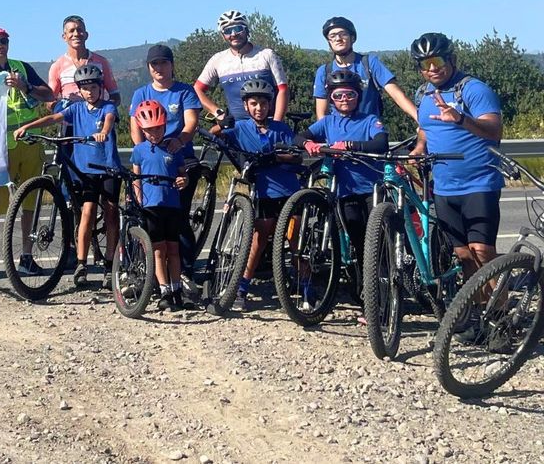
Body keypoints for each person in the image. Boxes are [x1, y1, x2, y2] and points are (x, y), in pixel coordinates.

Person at [14, 64, 119, 287]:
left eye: (93, 87)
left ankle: (110, 264)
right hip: (87, 170)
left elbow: (109, 121)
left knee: (111, 214)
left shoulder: (108, 107)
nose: (89, 92)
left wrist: (103, 133)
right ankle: (82, 263)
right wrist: (28, 127)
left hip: (108, 168)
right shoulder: (77, 109)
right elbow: (54, 118)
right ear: (79, 90)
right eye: (85, 88)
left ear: (101, 87)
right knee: (87, 212)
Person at [409, 32, 502, 282]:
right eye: (424, 64)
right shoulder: (424, 94)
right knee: (463, 256)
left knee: (482, 251)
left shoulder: (474, 89)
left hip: (479, 182)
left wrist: (460, 118)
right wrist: (419, 149)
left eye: (437, 61)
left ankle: (499, 314)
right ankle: (480, 313)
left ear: (452, 59)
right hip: (444, 187)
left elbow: (494, 130)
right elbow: (425, 129)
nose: (432, 69)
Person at [294, 70, 388, 312]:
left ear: (358, 95)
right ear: (331, 98)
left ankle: (385, 298)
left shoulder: (369, 120)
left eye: (350, 94)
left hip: (371, 190)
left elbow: (381, 143)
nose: (344, 98)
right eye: (338, 95)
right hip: (345, 192)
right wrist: (309, 143)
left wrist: (349, 145)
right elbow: (300, 135)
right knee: (358, 244)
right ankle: (366, 295)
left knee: (376, 245)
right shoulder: (328, 122)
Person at [211, 79, 301, 312]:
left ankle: (305, 285)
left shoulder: (280, 128)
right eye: (254, 103)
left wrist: (276, 157)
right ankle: (242, 288)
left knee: (295, 241)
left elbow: (295, 156)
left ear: (270, 105)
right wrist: (222, 124)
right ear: (246, 106)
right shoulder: (240, 127)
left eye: (263, 103)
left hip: (289, 191)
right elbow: (215, 135)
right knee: (258, 241)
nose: (259, 107)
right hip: (264, 192)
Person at [0, 26, 54, 279]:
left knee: (30, 201)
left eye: (4, 41)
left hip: (29, 144)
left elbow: (48, 94)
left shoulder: (21, 67)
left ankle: (26, 256)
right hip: (0, 149)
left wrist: (25, 86)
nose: (0, 46)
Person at [128, 44, 201, 283]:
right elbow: (135, 128)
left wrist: (179, 140)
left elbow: (190, 123)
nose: (159, 68)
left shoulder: (184, 91)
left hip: (179, 155)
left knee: (178, 216)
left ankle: (185, 271)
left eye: (163, 63)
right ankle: (145, 273)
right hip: (150, 156)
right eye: (154, 64)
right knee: (145, 215)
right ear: (149, 68)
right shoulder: (141, 93)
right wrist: (144, 152)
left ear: (172, 65)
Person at [130, 100, 192, 311]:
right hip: (151, 206)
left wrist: (184, 181)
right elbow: (136, 176)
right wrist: (137, 197)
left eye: (157, 128)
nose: (154, 133)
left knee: (174, 248)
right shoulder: (139, 150)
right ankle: (164, 290)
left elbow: (183, 175)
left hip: (172, 204)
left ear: (165, 125)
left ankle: (176, 289)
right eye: (148, 130)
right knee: (157, 250)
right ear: (141, 129)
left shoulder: (173, 149)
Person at [312, 16, 417, 121]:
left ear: (352, 38)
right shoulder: (324, 71)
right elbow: (322, 114)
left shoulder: (369, 63)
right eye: (332, 36)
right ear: (329, 42)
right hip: (338, 133)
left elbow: (398, 95)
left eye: (343, 34)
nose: (338, 39)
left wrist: (421, 121)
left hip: (370, 132)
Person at [195, 10, 289, 125]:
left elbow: (283, 89)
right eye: (227, 31)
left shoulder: (267, 55)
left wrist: (277, 123)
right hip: (236, 127)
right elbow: (197, 89)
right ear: (222, 35)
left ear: (246, 29)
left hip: (268, 124)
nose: (234, 34)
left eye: (238, 28)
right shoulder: (217, 60)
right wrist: (218, 113)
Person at [47, 15, 120, 108]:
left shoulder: (102, 62)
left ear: (86, 35)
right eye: (71, 31)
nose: (76, 34)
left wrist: (106, 110)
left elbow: (115, 96)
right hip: (70, 121)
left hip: (98, 120)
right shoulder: (57, 66)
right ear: (64, 37)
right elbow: (49, 101)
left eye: (80, 30)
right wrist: (62, 109)